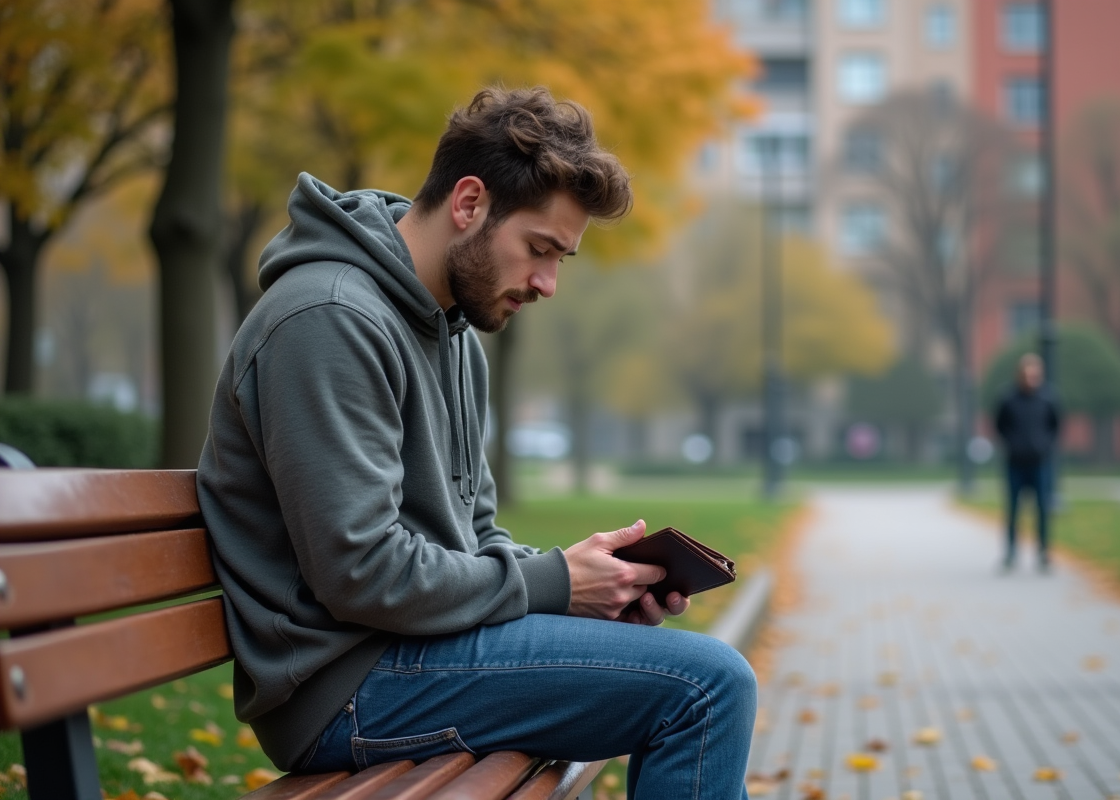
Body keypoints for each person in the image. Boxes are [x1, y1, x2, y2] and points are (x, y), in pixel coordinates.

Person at [197, 86, 757, 799]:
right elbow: (361, 570)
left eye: (562, 259)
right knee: (707, 687)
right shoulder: (327, 319)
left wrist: (592, 588)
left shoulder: (454, 331)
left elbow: (472, 534)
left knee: (690, 673)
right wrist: (554, 582)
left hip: (418, 653)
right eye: (539, 249)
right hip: (346, 685)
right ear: (469, 205)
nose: (548, 284)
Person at [993, 352, 1060, 571]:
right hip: (1015, 463)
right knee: (1013, 509)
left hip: (1040, 462)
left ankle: (1043, 552)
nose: (1031, 379)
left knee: (1042, 508)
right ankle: (1011, 552)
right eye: (1027, 374)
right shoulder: (1008, 398)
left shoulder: (1048, 398)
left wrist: (1044, 444)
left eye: (1035, 374)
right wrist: (1012, 444)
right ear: (1020, 375)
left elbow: (1055, 425)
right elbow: (1000, 425)